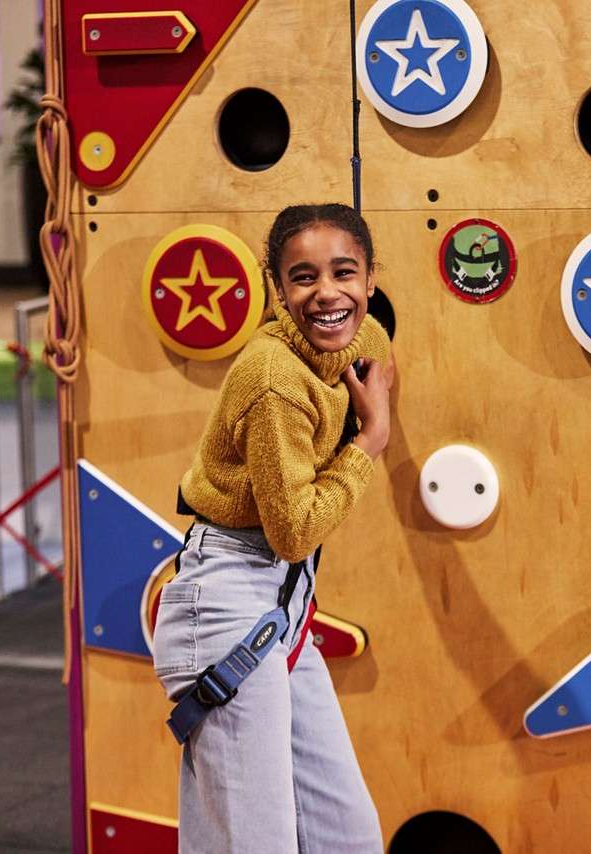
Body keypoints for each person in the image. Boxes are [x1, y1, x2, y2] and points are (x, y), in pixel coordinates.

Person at [151, 203, 393, 851]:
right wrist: (369, 443)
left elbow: (376, 348)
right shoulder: (274, 379)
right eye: (303, 278)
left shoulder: (354, 339)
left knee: (348, 836)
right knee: (257, 843)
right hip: (228, 604)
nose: (327, 293)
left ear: (371, 280)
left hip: (280, 607)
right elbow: (293, 531)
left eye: (345, 273)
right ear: (277, 290)